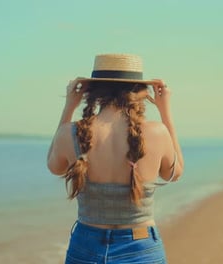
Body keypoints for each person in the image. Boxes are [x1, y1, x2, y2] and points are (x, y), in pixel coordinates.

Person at [47, 54, 184, 263]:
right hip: (141, 247)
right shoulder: (157, 132)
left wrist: (69, 107)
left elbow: (54, 166)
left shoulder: (70, 133)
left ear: (91, 92)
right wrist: (165, 112)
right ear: (140, 91)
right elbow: (173, 173)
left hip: (86, 245)